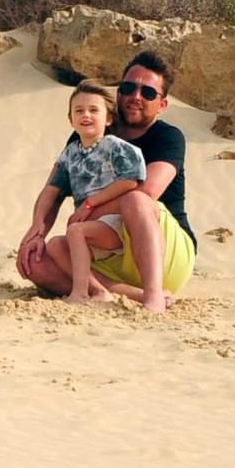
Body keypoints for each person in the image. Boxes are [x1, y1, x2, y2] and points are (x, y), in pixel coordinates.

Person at [17, 50, 197, 312]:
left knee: (136, 199)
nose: (136, 97)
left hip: (165, 252)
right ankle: (127, 293)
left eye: (147, 93)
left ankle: (154, 295)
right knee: (35, 261)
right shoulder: (85, 135)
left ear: (162, 104)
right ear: (118, 92)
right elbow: (53, 189)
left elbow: (147, 192)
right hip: (103, 244)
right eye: (128, 88)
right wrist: (35, 233)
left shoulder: (168, 138)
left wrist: (88, 209)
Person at [41, 83, 148, 306]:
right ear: (70, 120)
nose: (86, 115)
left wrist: (91, 203)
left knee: (76, 231)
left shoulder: (115, 146)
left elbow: (131, 179)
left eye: (93, 110)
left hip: (115, 223)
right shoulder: (70, 153)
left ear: (108, 119)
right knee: (55, 246)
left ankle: (80, 294)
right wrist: (36, 228)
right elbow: (51, 188)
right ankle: (101, 291)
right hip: (91, 228)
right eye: (78, 111)